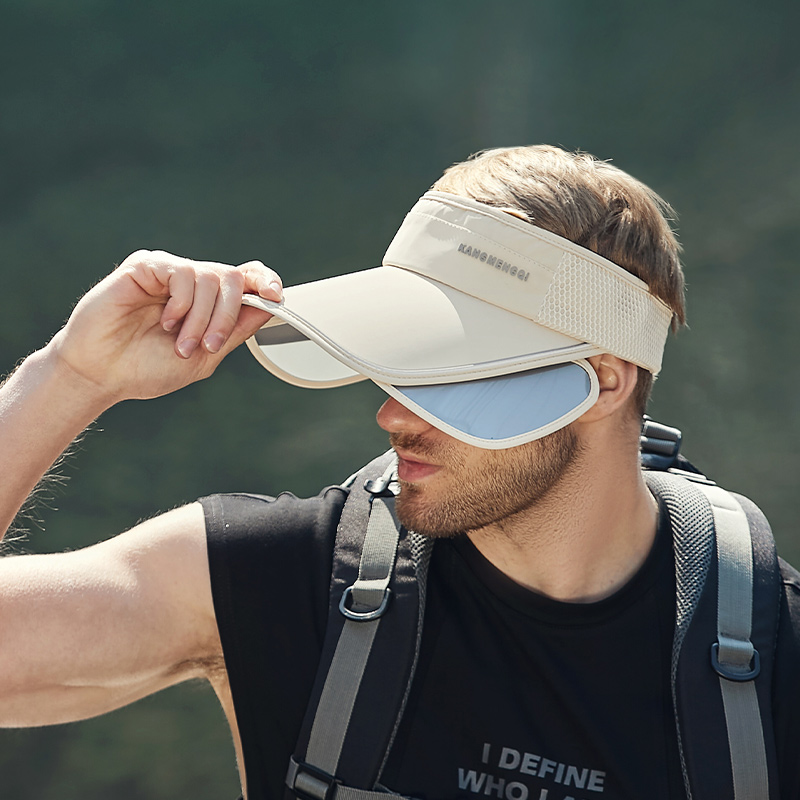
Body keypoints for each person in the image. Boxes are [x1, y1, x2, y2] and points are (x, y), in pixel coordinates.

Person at [0, 145, 798, 800]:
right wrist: (69, 376)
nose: (391, 415)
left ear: (605, 380)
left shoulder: (779, 657)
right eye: (399, 363)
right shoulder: (282, 575)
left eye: (452, 373)